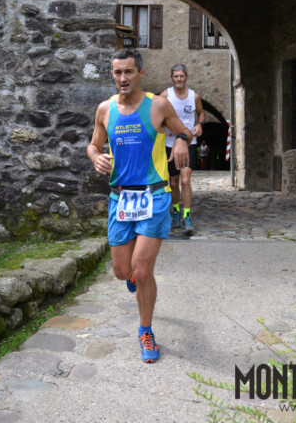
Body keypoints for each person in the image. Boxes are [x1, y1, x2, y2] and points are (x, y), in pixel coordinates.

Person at [87, 48, 192, 363]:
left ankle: (145, 330)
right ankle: (132, 276)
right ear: (112, 74)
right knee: (123, 272)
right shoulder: (105, 110)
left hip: (154, 195)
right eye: (117, 72)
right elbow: (93, 144)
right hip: (120, 197)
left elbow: (184, 130)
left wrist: (182, 141)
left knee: (143, 269)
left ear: (140, 73)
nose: (123, 78)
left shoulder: (158, 105)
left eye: (128, 72)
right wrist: (96, 156)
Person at [160, 64, 206, 235]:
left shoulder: (194, 96)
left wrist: (200, 125)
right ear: (171, 78)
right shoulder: (165, 96)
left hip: (189, 143)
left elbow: (201, 113)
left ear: (187, 77)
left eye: (181, 76)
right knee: (173, 182)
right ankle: (176, 211)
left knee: (185, 181)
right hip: (169, 143)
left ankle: (187, 216)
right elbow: (155, 114)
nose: (179, 79)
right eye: (176, 76)